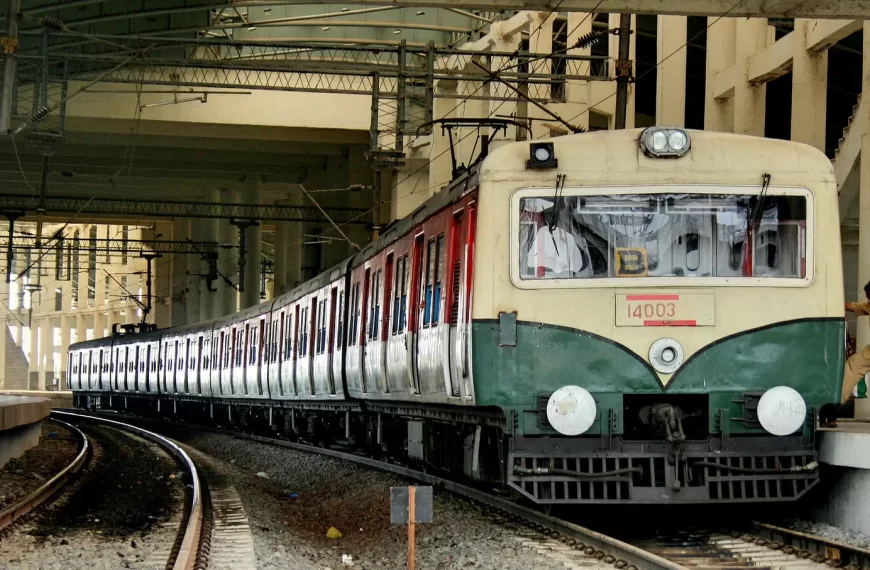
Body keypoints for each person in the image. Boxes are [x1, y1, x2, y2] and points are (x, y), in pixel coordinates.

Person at [843, 281, 870, 404]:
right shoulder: (868, 306)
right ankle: (838, 398)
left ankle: (838, 398)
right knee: (852, 366)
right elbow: (850, 306)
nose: (868, 300)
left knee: (852, 367)